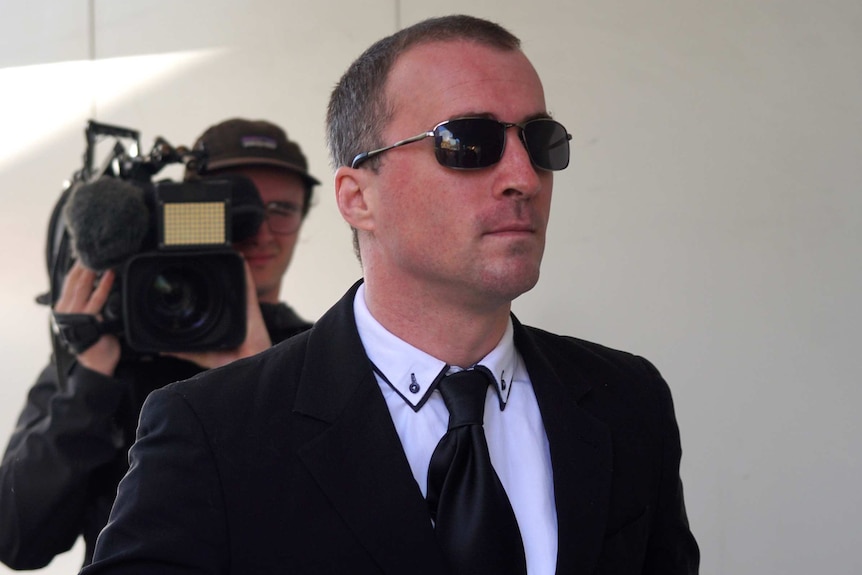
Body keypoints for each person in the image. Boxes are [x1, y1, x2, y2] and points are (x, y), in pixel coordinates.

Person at [81, 15, 700, 575]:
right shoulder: (211, 430)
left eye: (541, 143)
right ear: (358, 198)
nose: (522, 178)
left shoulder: (628, 402)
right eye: (468, 143)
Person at [0, 118, 319, 569]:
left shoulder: (320, 352)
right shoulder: (108, 352)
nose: (262, 232)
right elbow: (16, 539)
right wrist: (89, 383)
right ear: (187, 208)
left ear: (304, 217)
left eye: (282, 210)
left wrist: (256, 371)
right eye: (242, 211)